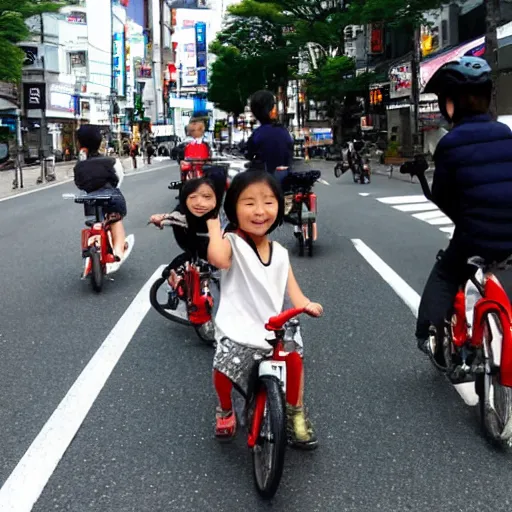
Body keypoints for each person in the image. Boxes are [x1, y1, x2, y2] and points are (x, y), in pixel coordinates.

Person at [206, 170, 323, 449]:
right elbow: (219, 259)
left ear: (280, 207)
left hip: (273, 323)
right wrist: (213, 223)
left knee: (294, 359)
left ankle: (296, 412)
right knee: (223, 368)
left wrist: (306, 305)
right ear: (233, 208)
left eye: (269, 202)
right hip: (237, 323)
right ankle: (225, 408)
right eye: (249, 203)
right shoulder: (232, 242)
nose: (260, 211)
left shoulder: (281, 252)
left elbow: (293, 291)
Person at [415, 56, 512, 356]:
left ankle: (425, 332)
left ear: (451, 103)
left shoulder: (451, 143)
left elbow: (443, 195)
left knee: (446, 272)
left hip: (474, 237)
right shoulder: (506, 135)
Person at [148, 175, 224, 288]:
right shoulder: (182, 212)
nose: (200, 202)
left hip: (213, 246)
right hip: (192, 242)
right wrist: (162, 218)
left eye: (207, 197)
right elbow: (174, 216)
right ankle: (171, 274)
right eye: (193, 197)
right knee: (192, 254)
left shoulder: (221, 213)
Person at [74, 125, 129, 261]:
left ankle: (90, 246)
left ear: (80, 144)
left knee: (93, 222)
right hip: (112, 196)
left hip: (90, 199)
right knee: (115, 220)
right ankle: (118, 251)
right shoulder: (112, 161)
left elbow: (80, 184)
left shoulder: (79, 166)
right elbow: (119, 179)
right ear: (100, 142)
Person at [246, 90, 294, 185]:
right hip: (285, 180)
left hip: (264, 183)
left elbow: (249, 155)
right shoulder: (283, 131)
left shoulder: (257, 135)